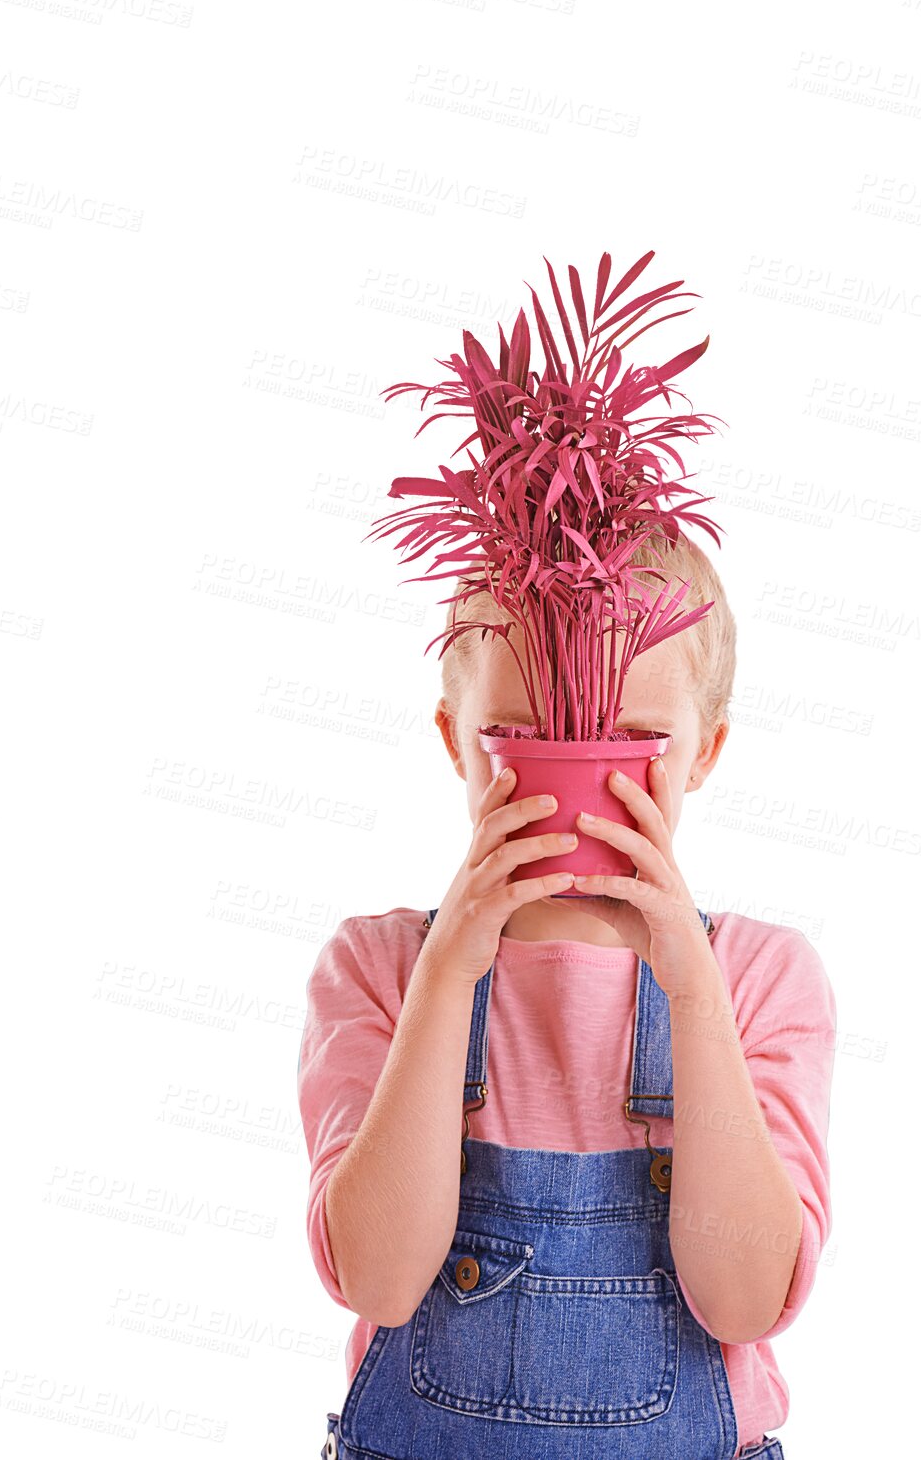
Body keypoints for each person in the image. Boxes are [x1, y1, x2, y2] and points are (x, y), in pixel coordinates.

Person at [298, 531, 836, 1459]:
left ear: (703, 751)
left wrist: (692, 996)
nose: (577, 782)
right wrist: (445, 979)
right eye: (523, 737)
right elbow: (379, 1281)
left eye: (630, 741)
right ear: (454, 740)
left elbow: (746, 1297)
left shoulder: (756, 978)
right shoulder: (379, 967)